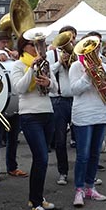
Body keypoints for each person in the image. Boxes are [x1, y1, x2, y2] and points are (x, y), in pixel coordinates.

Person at [69, 33, 106, 208]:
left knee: (94, 154)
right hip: (83, 115)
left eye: (96, 47)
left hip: (100, 113)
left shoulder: (103, 66)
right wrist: (88, 76)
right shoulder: (76, 66)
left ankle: (90, 187)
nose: (94, 51)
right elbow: (74, 90)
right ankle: (79, 189)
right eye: (90, 48)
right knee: (82, 155)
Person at [11, 34, 57, 210]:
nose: (38, 48)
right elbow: (19, 89)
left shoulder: (45, 64)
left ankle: (36, 198)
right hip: (29, 115)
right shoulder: (19, 65)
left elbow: (55, 89)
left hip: (47, 112)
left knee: (42, 159)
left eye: (40, 44)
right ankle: (36, 204)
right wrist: (31, 68)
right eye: (33, 45)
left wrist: (48, 82)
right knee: (41, 158)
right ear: (24, 47)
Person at [0, 31, 28, 184]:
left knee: (13, 139)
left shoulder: (14, 59)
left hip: (14, 105)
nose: (5, 45)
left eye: (7, 42)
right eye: (2, 42)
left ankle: (12, 167)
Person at [45, 26, 78, 185]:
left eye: (73, 37)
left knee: (81, 137)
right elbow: (46, 71)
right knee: (60, 139)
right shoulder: (51, 54)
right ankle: (63, 172)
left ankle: (84, 171)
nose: (71, 41)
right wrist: (59, 62)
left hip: (76, 99)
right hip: (58, 101)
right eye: (67, 37)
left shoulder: (78, 54)